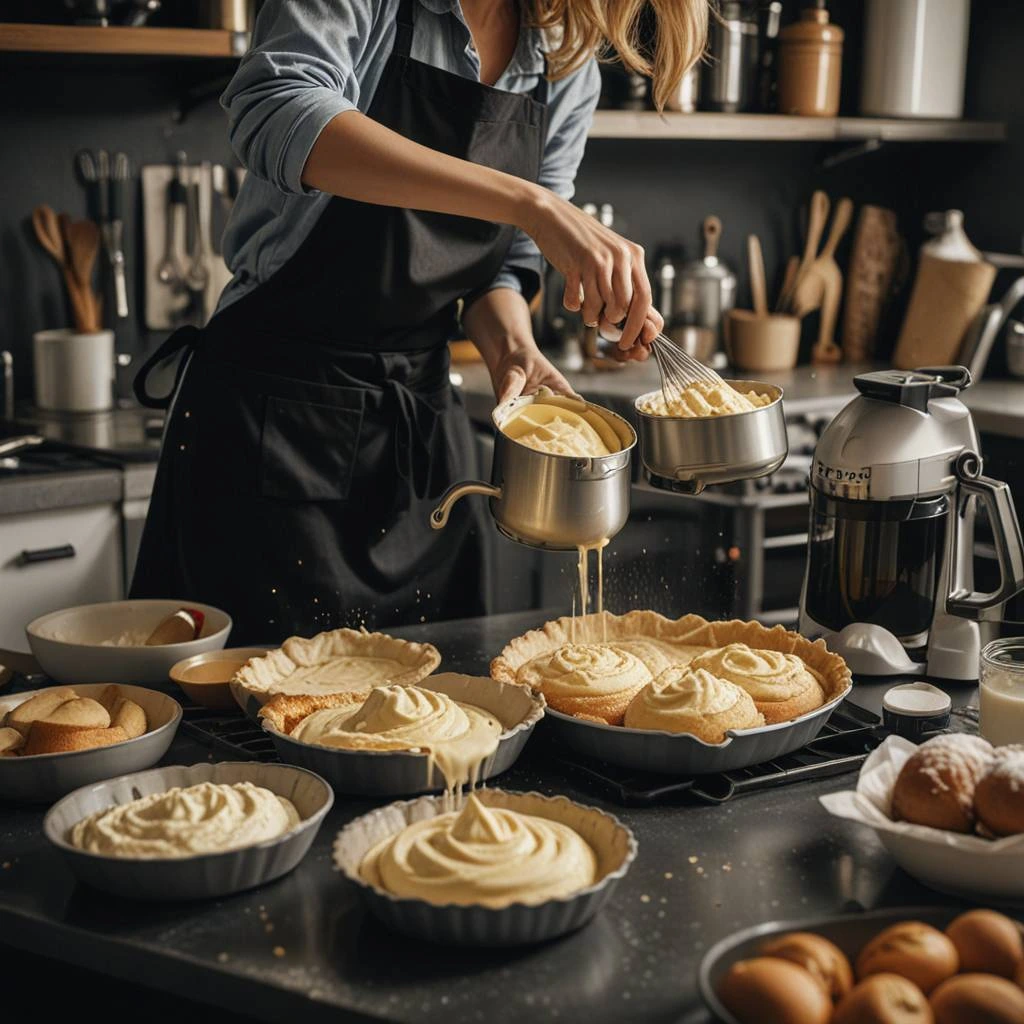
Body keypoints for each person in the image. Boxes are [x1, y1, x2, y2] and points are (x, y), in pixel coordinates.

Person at [131, 0, 709, 643]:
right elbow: (279, 106)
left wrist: (512, 346)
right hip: (273, 424)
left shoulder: (561, 61)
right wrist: (532, 204)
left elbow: (506, 262)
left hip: (421, 442)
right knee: (250, 725)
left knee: (444, 715)